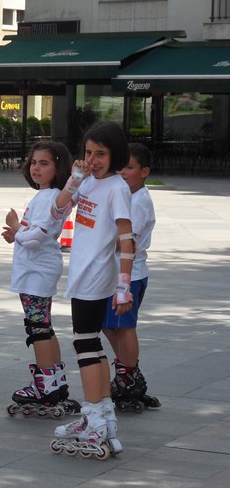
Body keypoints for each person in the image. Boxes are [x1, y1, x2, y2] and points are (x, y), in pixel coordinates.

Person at [49, 121, 134, 459]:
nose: (93, 160)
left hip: (96, 275)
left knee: (84, 342)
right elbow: (58, 209)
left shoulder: (117, 188)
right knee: (90, 343)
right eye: (88, 152)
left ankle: (93, 416)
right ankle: (102, 414)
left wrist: (123, 286)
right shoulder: (88, 182)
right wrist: (74, 179)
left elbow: (127, 239)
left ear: (116, 155)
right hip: (84, 273)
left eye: (101, 154)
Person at [1, 141, 80, 418]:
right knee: (42, 325)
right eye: (34, 162)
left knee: (38, 327)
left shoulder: (50, 197)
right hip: (37, 270)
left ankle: (45, 386)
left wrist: (15, 227)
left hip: (36, 272)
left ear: (58, 168)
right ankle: (54, 380)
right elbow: (32, 232)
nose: (36, 168)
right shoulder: (46, 195)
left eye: (44, 163)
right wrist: (17, 234)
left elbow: (35, 237)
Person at [102, 143, 160, 412]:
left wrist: (97, 238)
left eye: (129, 167)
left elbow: (126, 242)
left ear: (144, 172)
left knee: (124, 326)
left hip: (130, 274)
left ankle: (128, 375)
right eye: (121, 167)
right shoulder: (129, 197)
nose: (123, 172)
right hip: (120, 272)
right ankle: (129, 371)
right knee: (109, 323)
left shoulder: (139, 202)